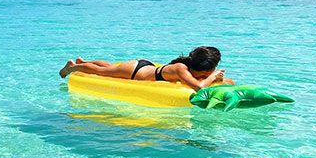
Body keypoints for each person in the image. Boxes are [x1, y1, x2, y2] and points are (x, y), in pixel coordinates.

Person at [59, 45, 234, 90]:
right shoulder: (181, 68)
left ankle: (83, 62)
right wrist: (213, 77)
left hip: (147, 68)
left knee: (109, 67)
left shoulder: (191, 70)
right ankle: (73, 68)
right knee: (103, 72)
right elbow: (199, 88)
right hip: (135, 71)